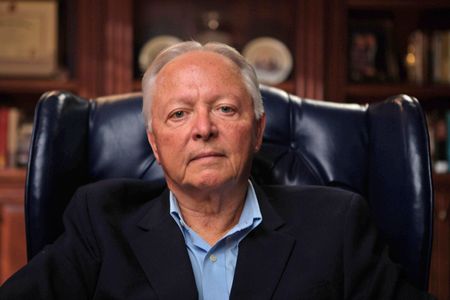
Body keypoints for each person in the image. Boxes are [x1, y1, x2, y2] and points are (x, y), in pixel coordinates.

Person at [0, 41, 435, 300]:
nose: (203, 129)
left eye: (225, 109)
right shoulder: (100, 219)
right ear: (154, 142)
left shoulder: (337, 223)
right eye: (179, 115)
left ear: (259, 130)